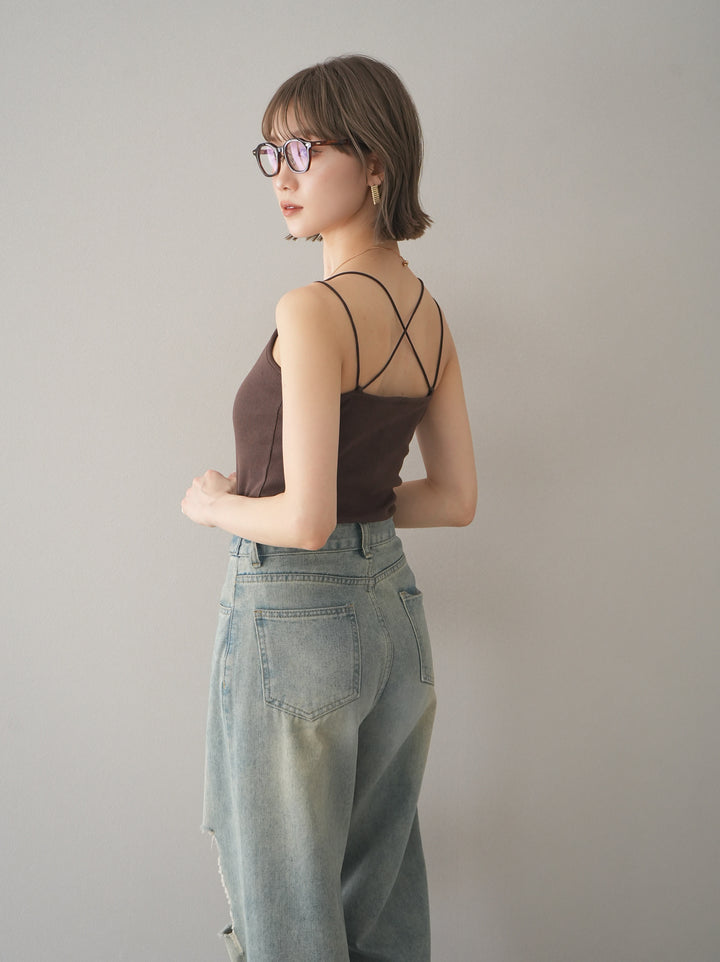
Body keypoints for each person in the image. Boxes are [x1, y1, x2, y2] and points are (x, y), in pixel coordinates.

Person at [181, 54, 476, 962]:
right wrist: (359, 513)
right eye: (272, 154)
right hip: (394, 620)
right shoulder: (429, 316)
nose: (284, 176)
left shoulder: (312, 311)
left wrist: (214, 506)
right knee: (378, 901)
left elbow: (305, 522)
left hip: (294, 617)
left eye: (305, 150)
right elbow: (454, 499)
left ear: (376, 161)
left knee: (286, 913)